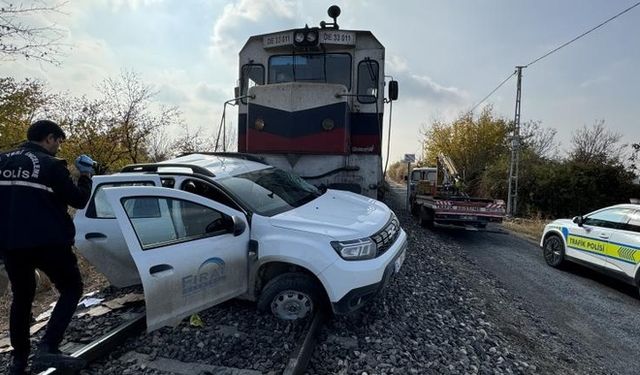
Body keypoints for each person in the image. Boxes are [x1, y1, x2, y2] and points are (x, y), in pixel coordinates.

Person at [0, 120, 95, 374]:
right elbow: (78, 199)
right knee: (71, 288)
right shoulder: (52, 165)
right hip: (48, 242)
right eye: (59, 141)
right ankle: (48, 347)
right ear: (49, 138)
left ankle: (18, 362)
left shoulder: (2, 161)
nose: (58, 147)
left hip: (11, 244)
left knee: (22, 299)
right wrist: (85, 175)